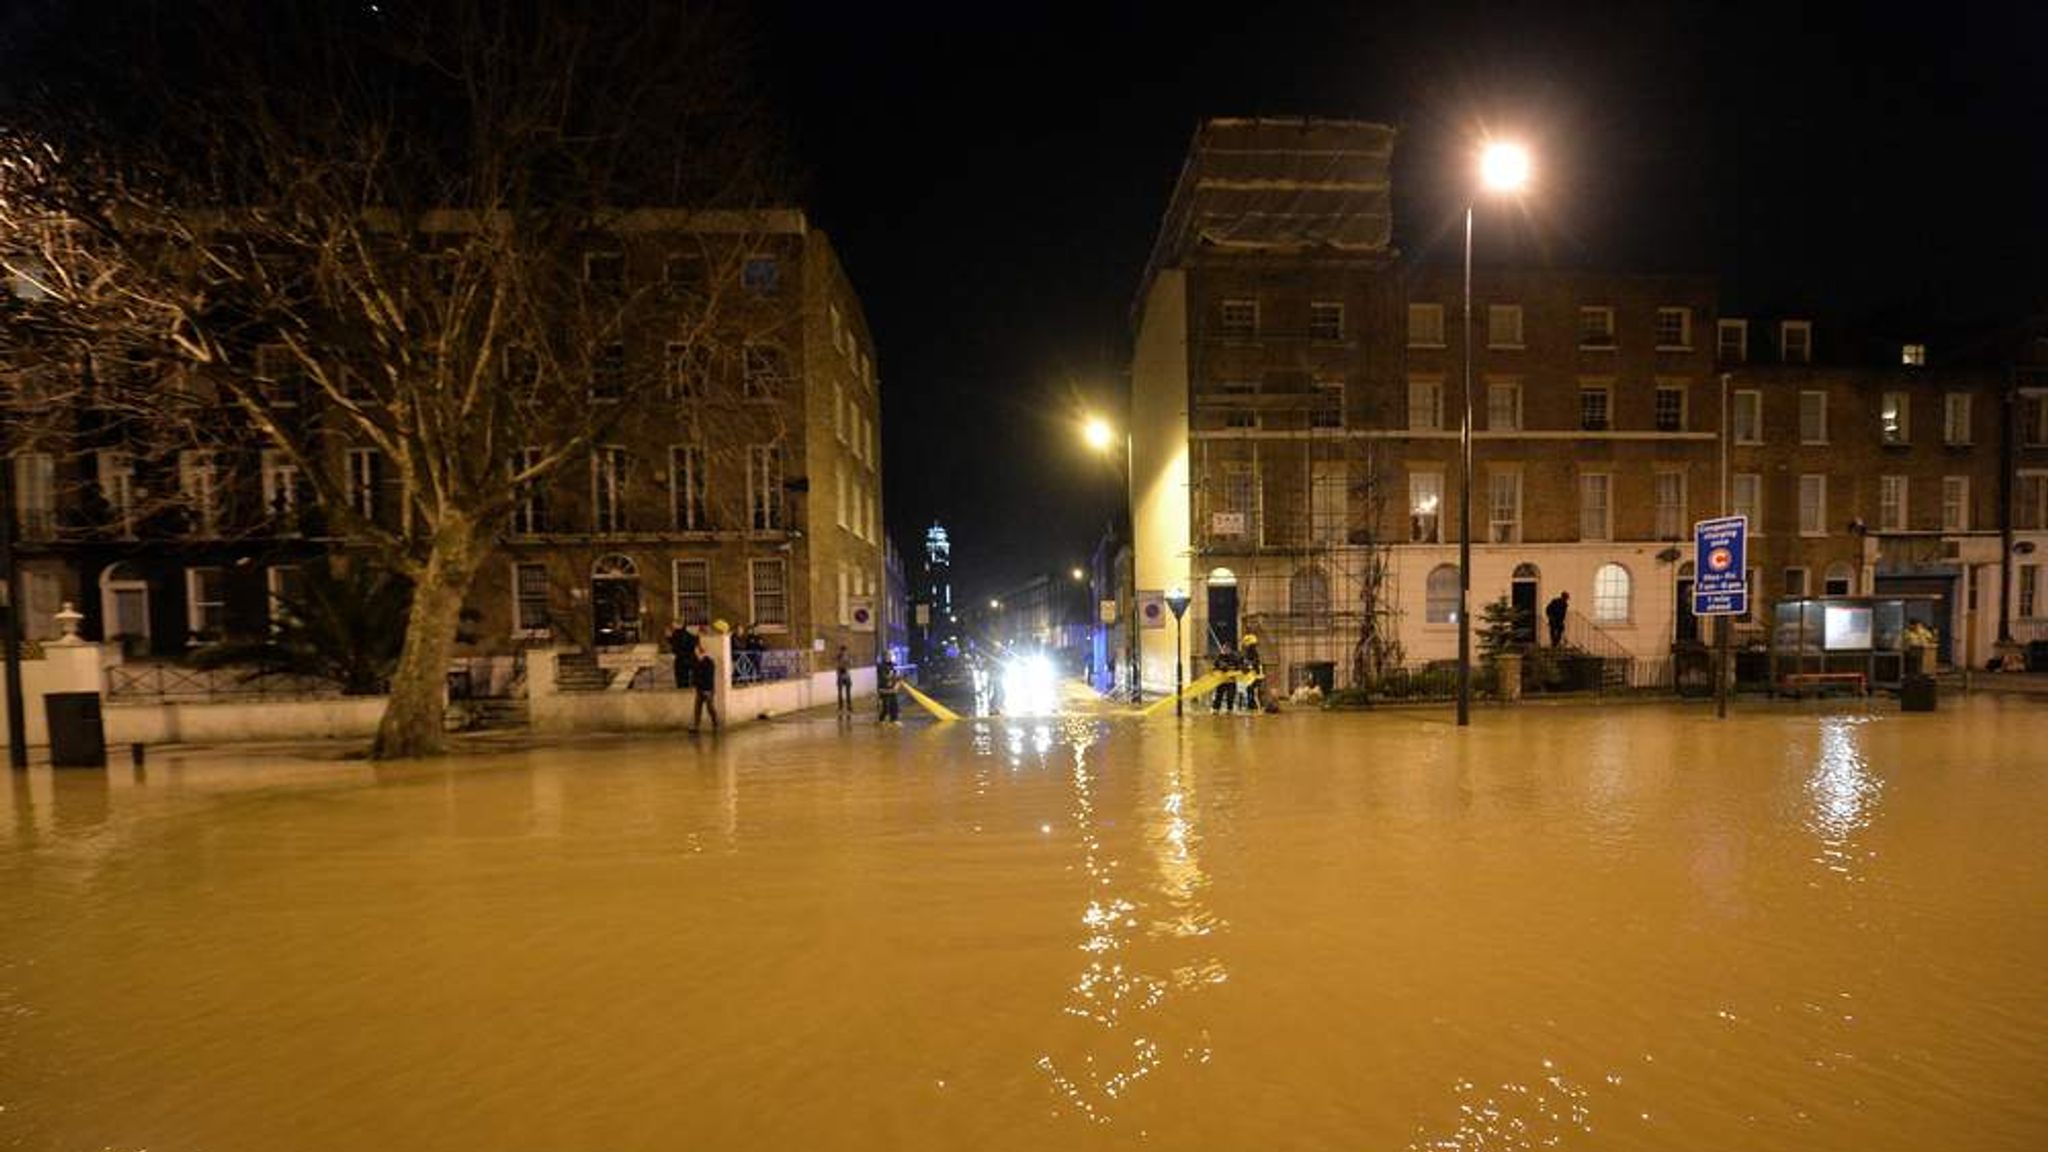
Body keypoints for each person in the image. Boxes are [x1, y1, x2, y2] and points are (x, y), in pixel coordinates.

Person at [689, 650, 719, 733]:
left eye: (698, 653)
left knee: (710, 707)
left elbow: (709, 677)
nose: (696, 654)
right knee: (697, 708)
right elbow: (694, 674)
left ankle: (715, 722)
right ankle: (696, 726)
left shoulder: (709, 663)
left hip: (707, 689)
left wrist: (707, 689)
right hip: (699, 688)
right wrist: (694, 683)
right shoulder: (696, 662)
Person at [668, 623, 699, 690]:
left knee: (681, 678)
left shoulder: (676, 634)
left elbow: (673, 646)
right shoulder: (690, 634)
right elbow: (695, 643)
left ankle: (683, 686)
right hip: (689, 656)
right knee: (691, 674)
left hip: (681, 658)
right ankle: (690, 685)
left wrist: (669, 638)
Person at [1239, 633, 1263, 712]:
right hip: (1248, 676)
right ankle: (1250, 705)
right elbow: (1242, 662)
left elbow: (1256, 663)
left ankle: (1255, 706)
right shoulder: (1245, 653)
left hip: (1255, 675)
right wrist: (1243, 667)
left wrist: (1249, 665)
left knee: (1253, 691)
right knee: (1249, 690)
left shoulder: (1253, 653)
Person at [876, 656, 902, 723]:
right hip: (884, 689)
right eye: (887, 655)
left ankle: (894, 719)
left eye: (890, 655)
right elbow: (884, 677)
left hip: (892, 689)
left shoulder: (894, 665)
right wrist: (890, 676)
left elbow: (898, 677)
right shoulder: (881, 666)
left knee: (894, 704)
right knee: (885, 706)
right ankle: (881, 719)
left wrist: (896, 685)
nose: (889, 657)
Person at [835, 644, 853, 714]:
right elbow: (838, 666)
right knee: (840, 693)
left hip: (846, 676)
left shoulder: (847, 657)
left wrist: (847, 663)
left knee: (848, 693)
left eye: (845, 651)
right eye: (843, 651)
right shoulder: (839, 657)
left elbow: (850, 664)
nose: (844, 652)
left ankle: (849, 706)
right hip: (841, 676)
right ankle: (841, 707)